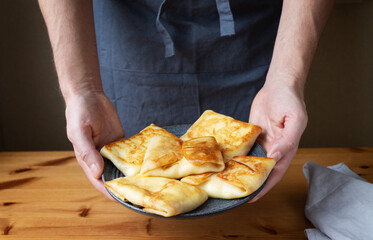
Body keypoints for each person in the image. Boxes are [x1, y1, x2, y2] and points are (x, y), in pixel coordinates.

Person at [38, 0, 334, 201]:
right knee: (135, 182)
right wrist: (83, 90)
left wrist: (285, 79)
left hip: (254, 33)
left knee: (253, 166)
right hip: (133, 35)